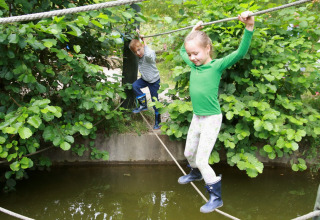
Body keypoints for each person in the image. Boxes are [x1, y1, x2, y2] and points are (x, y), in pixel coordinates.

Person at [178, 11, 254, 213]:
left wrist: (248, 27)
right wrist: (192, 32)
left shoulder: (216, 66)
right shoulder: (192, 64)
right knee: (188, 153)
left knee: (202, 159)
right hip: (197, 117)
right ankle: (195, 173)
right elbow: (181, 51)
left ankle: (216, 197)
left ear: (208, 48)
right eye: (191, 54)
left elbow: (240, 52)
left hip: (211, 118)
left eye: (196, 53)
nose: (192, 58)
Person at [129, 31, 161, 130]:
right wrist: (137, 36)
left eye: (139, 50)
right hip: (145, 79)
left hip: (154, 80)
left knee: (154, 100)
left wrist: (144, 41)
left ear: (143, 46)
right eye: (135, 52)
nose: (138, 53)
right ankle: (143, 105)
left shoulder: (148, 54)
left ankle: (158, 121)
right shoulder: (140, 53)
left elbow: (148, 54)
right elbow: (135, 46)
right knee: (135, 86)